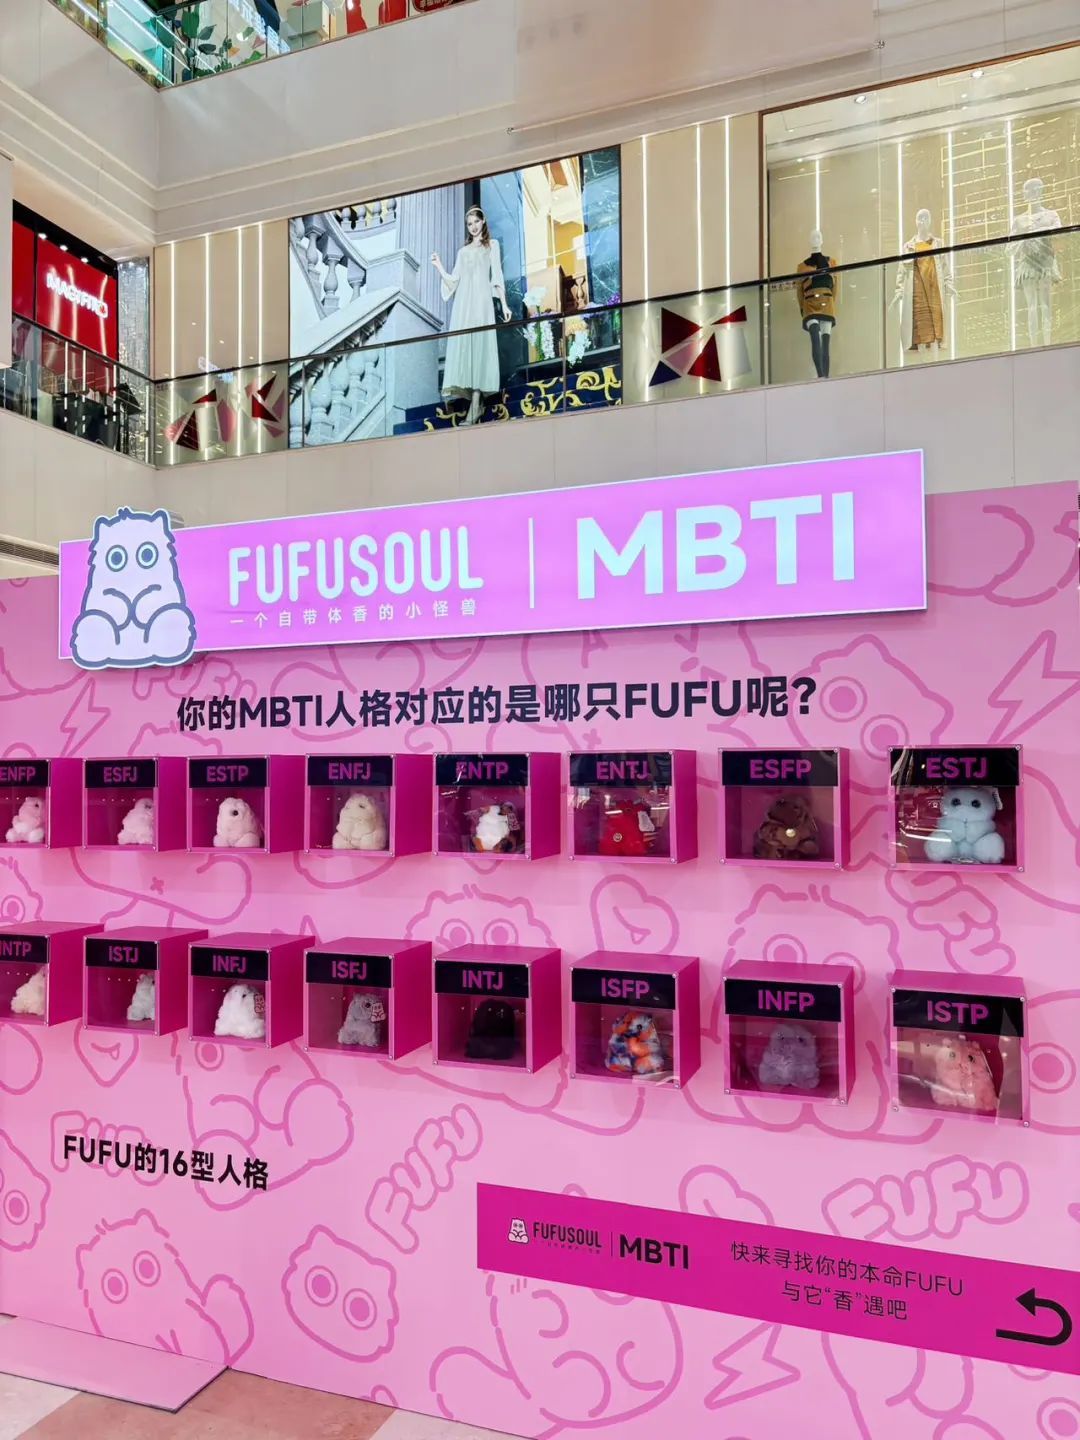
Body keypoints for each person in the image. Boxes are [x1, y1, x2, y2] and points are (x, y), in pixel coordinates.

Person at [431, 207, 512, 426]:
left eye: (476, 221)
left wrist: (504, 304)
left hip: (482, 304)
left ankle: (475, 406)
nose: (473, 227)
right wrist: (439, 267)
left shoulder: (492, 245)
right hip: (464, 305)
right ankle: (475, 404)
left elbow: (497, 276)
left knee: (480, 348)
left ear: (483, 221)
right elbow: (453, 281)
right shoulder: (463, 252)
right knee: (468, 348)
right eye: (469, 224)